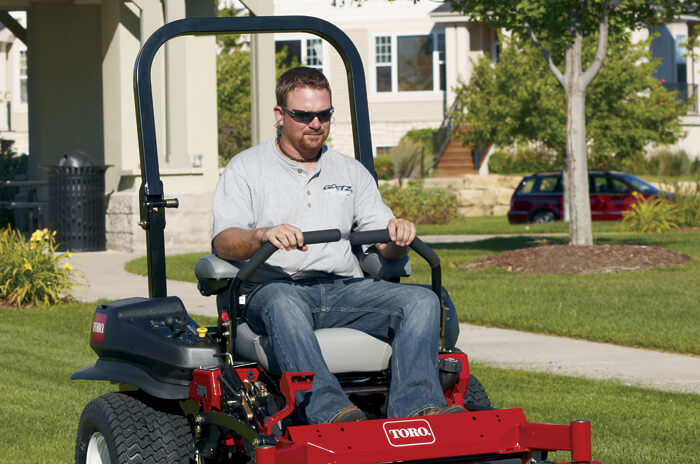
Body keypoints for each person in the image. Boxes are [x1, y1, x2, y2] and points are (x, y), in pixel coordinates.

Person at [212, 67, 464, 424]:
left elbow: (384, 246)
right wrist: (262, 235)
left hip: (343, 287)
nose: (315, 123)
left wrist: (398, 238)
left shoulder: (350, 172)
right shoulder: (246, 169)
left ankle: (418, 409)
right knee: (284, 303)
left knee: (423, 300)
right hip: (273, 287)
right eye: (303, 115)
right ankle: (330, 412)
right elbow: (224, 242)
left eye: (324, 114)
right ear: (279, 116)